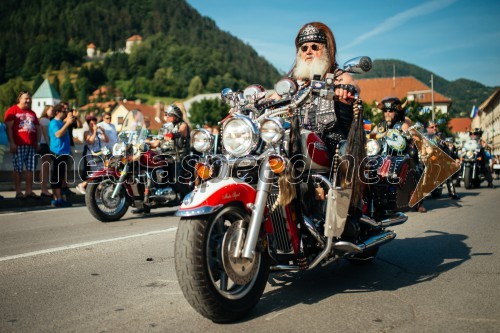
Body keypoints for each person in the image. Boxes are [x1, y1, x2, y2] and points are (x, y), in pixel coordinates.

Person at [134, 103, 191, 214]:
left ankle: (187, 199)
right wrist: (146, 143)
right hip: (165, 155)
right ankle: (145, 203)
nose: (166, 117)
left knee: (175, 180)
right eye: (165, 114)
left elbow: (180, 133)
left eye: (168, 115)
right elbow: (157, 143)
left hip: (179, 156)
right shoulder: (166, 127)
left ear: (175, 116)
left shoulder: (183, 125)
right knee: (149, 170)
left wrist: (172, 135)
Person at [4, 91, 41, 200]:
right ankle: (18, 191)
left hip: (31, 144)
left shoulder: (32, 112)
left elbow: (38, 128)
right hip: (18, 144)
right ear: (19, 99)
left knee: (30, 168)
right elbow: (9, 128)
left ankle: (28, 191)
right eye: (26, 98)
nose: (28, 101)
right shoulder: (12, 110)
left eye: (29, 98)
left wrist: (38, 142)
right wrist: (12, 142)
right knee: (18, 168)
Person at [425, 121, 459, 199]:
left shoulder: (440, 136)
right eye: (432, 127)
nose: (435, 128)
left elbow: (445, 146)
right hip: (426, 158)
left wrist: (444, 143)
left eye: (435, 126)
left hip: (439, 158)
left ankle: (452, 193)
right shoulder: (423, 137)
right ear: (427, 128)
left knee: (447, 172)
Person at [48, 103, 73, 207]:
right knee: (57, 176)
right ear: (57, 112)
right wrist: (67, 124)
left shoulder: (60, 122)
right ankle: (57, 199)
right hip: (57, 152)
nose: (65, 112)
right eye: (64, 111)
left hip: (63, 152)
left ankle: (59, 198)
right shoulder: (54, 122)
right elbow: (58, 134)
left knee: (61, 175)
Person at [75, 116, 109, 194]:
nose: (94, 125)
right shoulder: (86, 132)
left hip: (100, 155)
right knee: (97, 173)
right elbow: (90, 141)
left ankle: (97, 192)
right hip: (91, 155)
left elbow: (107, 140)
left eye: (95, 123)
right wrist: (94, 132)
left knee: (102, 173)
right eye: (91, 123)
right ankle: (82, 185)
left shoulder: (99, 132)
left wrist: (103, 132)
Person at [38, 105, 54, 198]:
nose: (52, 112)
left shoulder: (47, 120)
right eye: (51, 110)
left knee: (45, 167)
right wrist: (50, 146)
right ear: (46, 110)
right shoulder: (44, 120)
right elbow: (45, 134)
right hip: (45, 145)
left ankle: (44, 189)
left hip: (46, 145)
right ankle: (44, 189)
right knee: (45, 167)